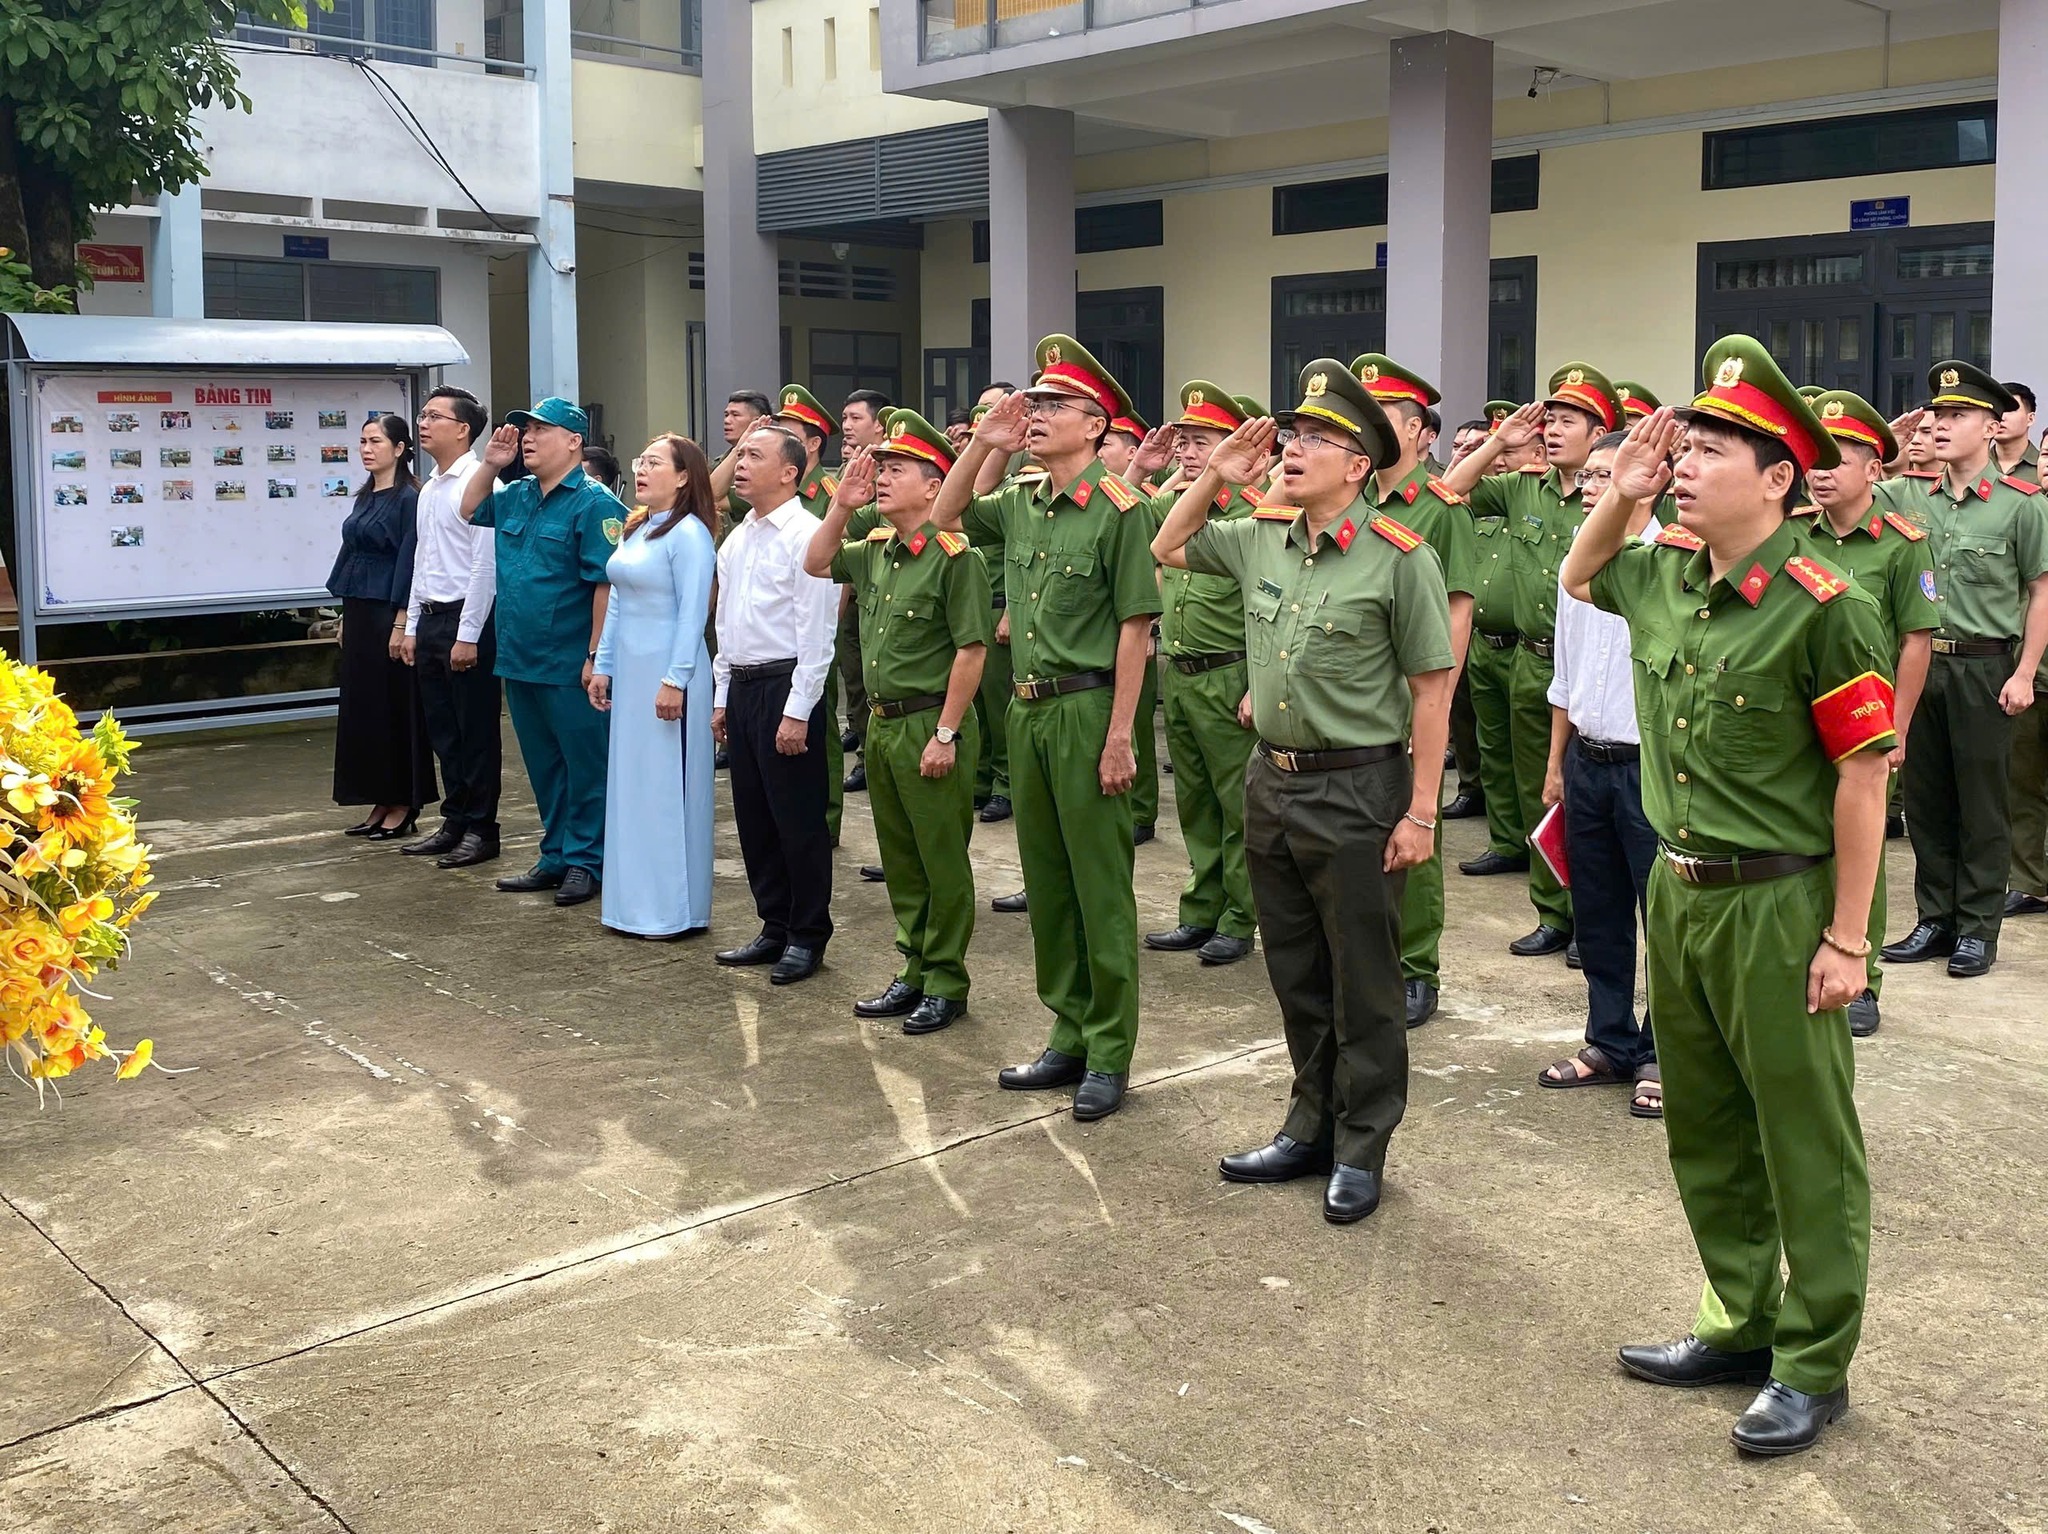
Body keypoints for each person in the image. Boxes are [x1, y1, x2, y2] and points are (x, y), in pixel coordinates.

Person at [1561, 336, 1895, 1459]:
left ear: (1777, 477)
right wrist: (1621, 492)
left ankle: (1812, 1361)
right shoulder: (1663, 573)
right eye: (1684, 444)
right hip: (1680, 890)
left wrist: (1847, 938)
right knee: (1703, 1125)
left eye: (1711, 450)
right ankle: (1738, 1321)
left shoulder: (1825, 604)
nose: (1685, 465)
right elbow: (1579, 576)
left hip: (1779, 903)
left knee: (1803, 1138)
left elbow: (1862, 778)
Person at [1154, 361, 1453, 1225]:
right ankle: (1309, 1124)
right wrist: (1217, 473)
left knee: (1364, 980)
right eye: (1293, 434)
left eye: (1318, 439)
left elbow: (1432, 690)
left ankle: (1362, 1145)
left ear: (1359, 465)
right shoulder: (1261, 537)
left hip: (1359, 788)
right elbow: (1168, 546)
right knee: (1295, 970)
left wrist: (1422, 811)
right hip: (1273, 781)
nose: (1293, 448)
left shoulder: (1401, 558)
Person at [933, 336, 1162, 1121]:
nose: (1034, 415)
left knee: (1099, 887)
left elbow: (1135, 628)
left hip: (1087, 708)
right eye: (1031, 404)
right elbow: (945, 514)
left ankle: (1109, 1050)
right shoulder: (1022, 499)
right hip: (1026, 710)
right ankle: (1068, 1031)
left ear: (1096, 425)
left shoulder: (1122, 510)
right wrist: (987, 445)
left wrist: (1122, 735)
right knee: (1049, 882)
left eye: (1052, 405)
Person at [805, 412, 990, 1033]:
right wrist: (842, 505)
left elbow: (971, 651)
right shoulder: (875, 551)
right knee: (902, 857)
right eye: (880, 468)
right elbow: (815, 561)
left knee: (941, 859)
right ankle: (913, 966)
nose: (882, 478)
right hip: (882, 727)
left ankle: (946, 980)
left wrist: (946, 733)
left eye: (897, 469)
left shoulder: (955, 558)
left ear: (935, 485)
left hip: (928, 724)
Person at [1446, 365, 1625, 958]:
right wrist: (1499, 442)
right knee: (1539, 789)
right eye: (1550, 420)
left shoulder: (1614, 497)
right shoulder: (1524, 487)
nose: (1552, 430)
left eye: (1567, 421)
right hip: (1533, 660)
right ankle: (1553, 912)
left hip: (1597, 667)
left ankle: (1591, 916)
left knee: (1593, 797)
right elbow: (1452, 491)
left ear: (1599, 432)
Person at [1879, 363, 2048, 979]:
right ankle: (1936, 918)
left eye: (1957, 416)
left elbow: (2041, 592)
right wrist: (1892, 446)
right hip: (1920, 664)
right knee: (1926, 799)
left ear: (1991, 427)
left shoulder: (2021, 506)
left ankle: (1977, 927)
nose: (1941, 425)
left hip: (1984, 667)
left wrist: (2024, 671)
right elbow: (1848, 494)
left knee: (1982, 804)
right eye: (1938, 414)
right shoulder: (1908, 494)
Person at [1796, 392, 1938, 1033]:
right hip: (1800, 712)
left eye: (1838, 460)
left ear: (1874, 470)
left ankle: (1864, 976)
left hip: (1865, 721)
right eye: (1815, 461)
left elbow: (1916, 641)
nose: (1821, 473)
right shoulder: (1795, 531)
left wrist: (1896, 729)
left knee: (1861, 847)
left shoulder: (1903, 544)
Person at [1537, 431, 1661, 1116]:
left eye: (1604, 475)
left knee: (1663, 918)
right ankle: (1609, 1041)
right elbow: (1565, 674)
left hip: (1651, 768)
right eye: (1586, 476)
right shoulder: (1577, 565)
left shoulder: (1674, 562)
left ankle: (1662, 1052)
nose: (1589, 488)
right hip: (1588, 759)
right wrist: (1557, 763)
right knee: (1599, 913)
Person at [1354, 355, 1478, 1026]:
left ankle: (1417, 967)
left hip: (1412, 693)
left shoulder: (1441, 509)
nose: (1367, 427)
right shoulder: (1349, 497)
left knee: (1415, 827)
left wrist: (1437, 702)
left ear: (1417, 431)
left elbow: (1457, 612)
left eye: (1383, 417)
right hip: (1353, 695)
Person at [460, 398, 620, 908]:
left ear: (574, 441)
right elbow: (469, 509)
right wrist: (491, 464)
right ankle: (555, 855)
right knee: (545, 767)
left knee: (585, 767)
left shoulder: (594, 503)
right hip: (520, 656)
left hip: (569, 662)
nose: (527, 437)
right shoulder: (517, 494)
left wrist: (596, 656)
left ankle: (586, 861)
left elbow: (606, 586)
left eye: (540, 430)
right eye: (525, 429)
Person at [1139, 383, 1262, 967]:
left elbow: (1267, 609)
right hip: (1181, 672)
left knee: (1237, 806)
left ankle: (1240, 917)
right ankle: (1201, 908)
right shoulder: (1177, 509)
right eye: (1184, 441)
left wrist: (1258, 685)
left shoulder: (1256, 515)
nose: (1189, 453)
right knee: (1193, 802)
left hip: (1229, 675)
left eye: (1202, 442)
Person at [712, 424, 839, 984]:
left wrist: (798, 710)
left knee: (797, 820)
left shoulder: (807, 535)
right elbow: (726, 626)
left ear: (790, 472)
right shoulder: (738, 539)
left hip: (785, 685)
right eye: (740, 454)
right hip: (743, 685)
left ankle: (807, 934)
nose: (740, 464)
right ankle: (774, 923)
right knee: (754, 816)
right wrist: (722, 697)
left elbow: (817, 635)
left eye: (754, 456)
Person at [587, 434, 717, 939]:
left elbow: (693, 613)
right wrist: (604, 665)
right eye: (640, 461)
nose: (641, 470)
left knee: (667, 789)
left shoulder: (690, 534)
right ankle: (632, 905)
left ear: (683, 477)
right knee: (632, 787)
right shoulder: (638, 528)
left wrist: (675, 679)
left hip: (669, 676)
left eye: (655, 463)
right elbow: (618, 602)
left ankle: (672, 911)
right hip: (632, 672)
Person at [400, 386, 502, 869]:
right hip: (432, 619)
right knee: (443, 731)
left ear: (463, 429)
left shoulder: (481, 485)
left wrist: (468, 635)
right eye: (422, 414)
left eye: (434, 416)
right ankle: (454, 821)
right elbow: (423, 560)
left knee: (474, 732)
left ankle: (482, 829)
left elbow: (485, 568)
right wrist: (412, 625)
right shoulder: (429, 489)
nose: (423, 422)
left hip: (468, 621)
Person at [329, 411, 436, 839]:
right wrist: (344, 615)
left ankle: (404, 801)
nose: (367, 449)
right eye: (363, 441)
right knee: (365, 709)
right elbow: (352, 553)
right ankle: (379, 797)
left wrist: (402, 620)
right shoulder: (364, 496)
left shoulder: (410, 498)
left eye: (376, 441)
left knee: (395, 707)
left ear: (400, 448)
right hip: (359, 610)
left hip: (389, 612)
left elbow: (411, 560)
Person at [836, 388, 893, 794]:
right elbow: (840, 534)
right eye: (845, 418)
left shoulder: (894, 465)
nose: (847, 426)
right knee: (856, 678)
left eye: (856, 418)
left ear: (879, 425)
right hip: (855, 588)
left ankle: (872, 758)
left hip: (889, 587)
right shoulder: (848, 471)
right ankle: (865, 751)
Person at [1994, 382, 2039, 483]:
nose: (2001, 417)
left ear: (2030, 419)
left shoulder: (2043, 466)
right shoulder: (1973, 465)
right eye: (1997, 409)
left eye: (2009, 410)